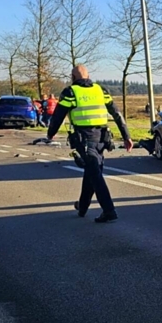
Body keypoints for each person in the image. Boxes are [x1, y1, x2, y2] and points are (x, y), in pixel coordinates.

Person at [46, 65, 133, 223]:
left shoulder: (71, 92)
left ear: (73, 77)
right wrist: (126, 136)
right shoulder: (101, 90)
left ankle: (109, 210)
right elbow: (117, 113)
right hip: (102, 138)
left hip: (84, 138)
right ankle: (83, 207)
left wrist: (50, 134)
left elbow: (58, 115)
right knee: (92, 171)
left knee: (94, 173)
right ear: (88, 75)